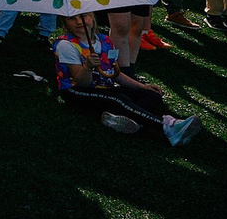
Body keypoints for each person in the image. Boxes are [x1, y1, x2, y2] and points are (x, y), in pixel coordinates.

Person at [51, 12, 200, 145]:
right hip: (76, 91)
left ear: (92, 18)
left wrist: (142, 87)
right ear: (65, 24)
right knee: (118, 99)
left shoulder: (105, 40)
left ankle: (124, 121)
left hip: (104, 87)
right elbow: (82, 82)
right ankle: (168, 127)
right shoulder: (66, 45)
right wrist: (88, 66)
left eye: (83, 16)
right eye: (72, 18)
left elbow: (114, 73)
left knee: (152, 94)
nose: (79, 22)